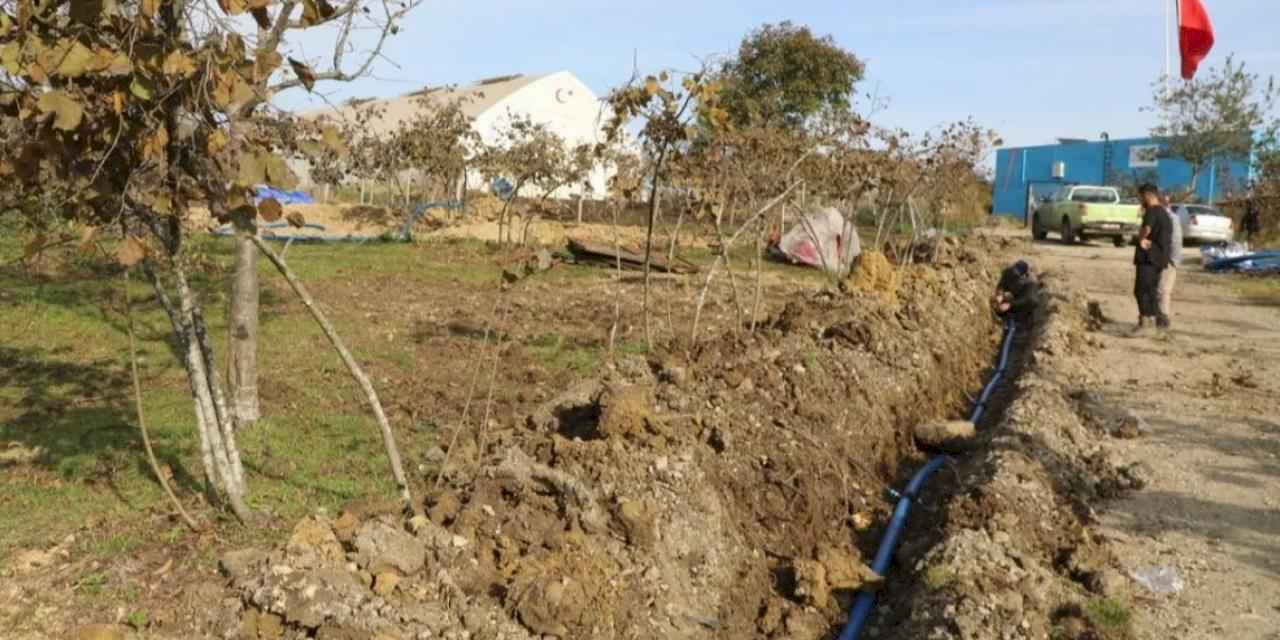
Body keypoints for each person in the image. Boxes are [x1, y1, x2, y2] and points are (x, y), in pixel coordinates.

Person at [1132, 184, 1173, 333]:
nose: (1140, 200)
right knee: (1150, 290)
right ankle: (1160, 321)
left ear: (1148, 195)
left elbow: (1147, 229)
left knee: (1142, 290)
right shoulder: (1164, 213)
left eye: (1141, 197)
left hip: (1149, 258)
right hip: (1159, 258)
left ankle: (1146, 322)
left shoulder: (1152, 211)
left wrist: (1141, 239)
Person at [1158, 195, 1183, 321]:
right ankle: (1161, 316)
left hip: (1168, 259)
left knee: (1163, 289)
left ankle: (1163, 317)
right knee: (1162, 289)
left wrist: (1171, 260)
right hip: (1169, 258)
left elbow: (1175, 240)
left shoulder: (1169, 218)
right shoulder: (1171, 217)